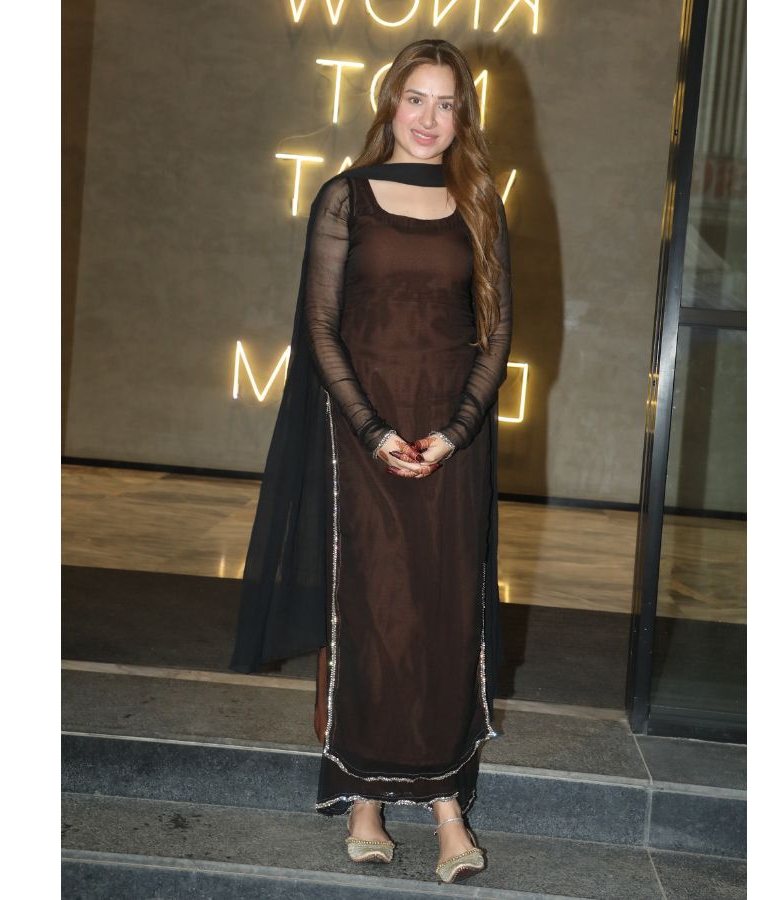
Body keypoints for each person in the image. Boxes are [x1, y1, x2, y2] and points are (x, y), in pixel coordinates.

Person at [229, 38, 512, 885]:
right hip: (362, 439)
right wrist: (373, 430)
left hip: (452, 440)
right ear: (390, 102)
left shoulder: (479, 202)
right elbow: (320, 327)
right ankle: (362, 797)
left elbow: (497, 330)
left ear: (463, 116)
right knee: (374, 609)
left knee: (445, 610)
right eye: (416, 98)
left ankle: (447, 804)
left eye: (447, 104)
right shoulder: (344, 197)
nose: (430, 118)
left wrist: (456, 432)